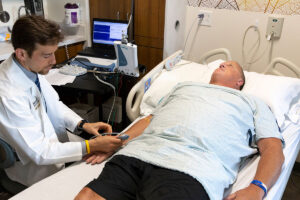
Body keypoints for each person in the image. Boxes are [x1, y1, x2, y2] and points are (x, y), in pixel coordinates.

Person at [75, 60, 285, 200]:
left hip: (192, 168)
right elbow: (150, 119)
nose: (223, 63)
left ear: (240, 81)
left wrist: (257, 188)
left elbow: (272, 147)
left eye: (230, 65)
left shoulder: (252, 102)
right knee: (87, 195)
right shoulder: (183, 87)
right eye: (223, 62)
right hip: (138, 155)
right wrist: (118, 141)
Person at [0, 15, 123, 188]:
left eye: (54, 53)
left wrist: (82, 124)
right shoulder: (8, 94)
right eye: (47, 55)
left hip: (54, 149)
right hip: (34, 173)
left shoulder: (29, 67)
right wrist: (90, 146)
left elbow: (53, 103)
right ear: (21, 53)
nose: (54, 61)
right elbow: (40, 152)